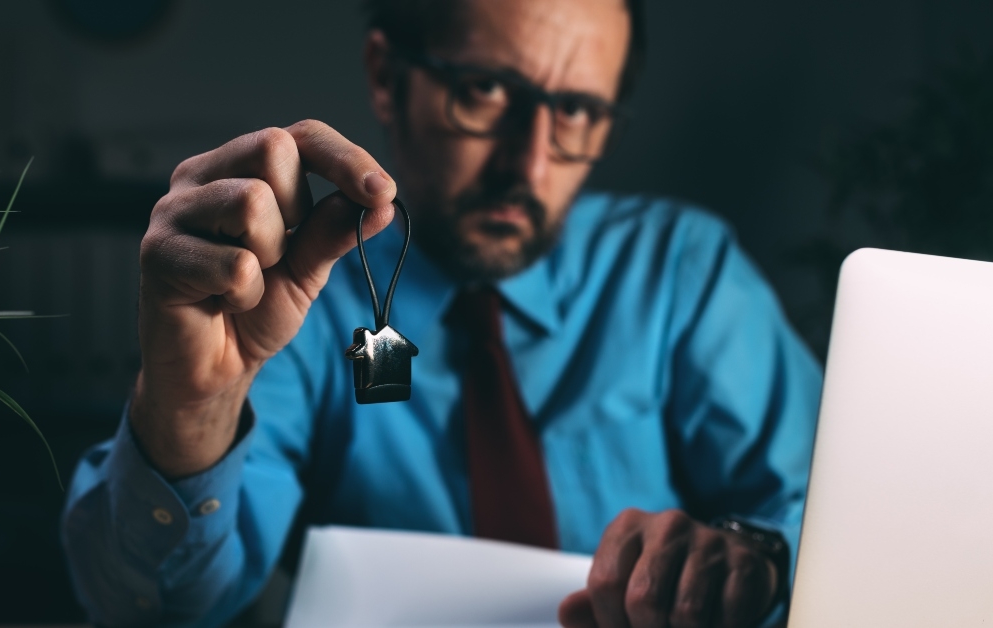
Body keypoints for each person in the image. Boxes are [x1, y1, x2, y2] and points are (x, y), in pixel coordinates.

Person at [61, 0, 822, 626]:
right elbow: (162, 609)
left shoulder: (681, 271)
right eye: (484, 92)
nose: (528, 163)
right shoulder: (289, 296)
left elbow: (830, 512)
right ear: (386, 76)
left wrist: (751, 554)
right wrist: (192, 412)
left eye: (578, 111)